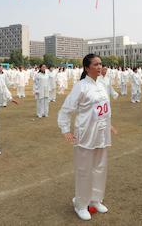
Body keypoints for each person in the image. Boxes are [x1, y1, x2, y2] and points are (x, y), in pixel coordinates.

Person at [57, 54, 118, 221]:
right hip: (85, 134)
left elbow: (104, 109)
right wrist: (65, 129)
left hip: (102, 134)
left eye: (101, 64)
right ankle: (81, 204)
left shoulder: (102, 84)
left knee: (100, 167)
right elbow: (66, 110)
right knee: (84, 170)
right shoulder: (81, 86)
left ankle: (95, 199)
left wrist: (109, 124)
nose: (100, 67)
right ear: (86, 68)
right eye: (96, 64)